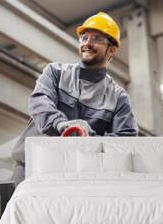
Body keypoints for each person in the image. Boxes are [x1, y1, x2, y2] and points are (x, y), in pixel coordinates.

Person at [11, 12, 139, 185]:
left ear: (112, 49)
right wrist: (62, 124)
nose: (87, 43)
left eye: (96, 38)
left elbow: (126, 141)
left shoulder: (117, 97)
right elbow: (39, 102)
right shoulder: (55, 72)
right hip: (31, 168)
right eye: (84, 37)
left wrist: (90, 137)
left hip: (76, 177)